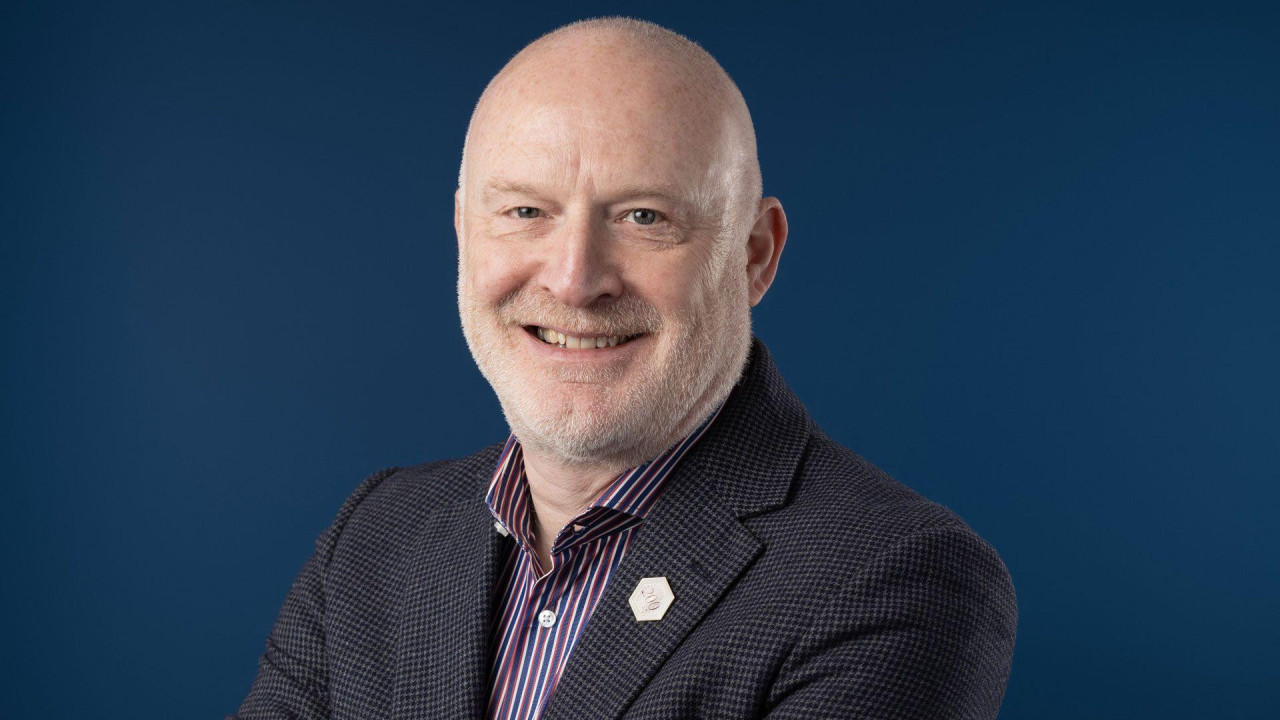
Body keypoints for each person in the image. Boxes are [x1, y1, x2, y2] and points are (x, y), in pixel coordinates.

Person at [231, 16, 1017, 720]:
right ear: (465, 235)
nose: (574, 280)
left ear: (754, 255)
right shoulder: (378, 535)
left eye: (644, 217)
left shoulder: (895, 578)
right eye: (525, 212)